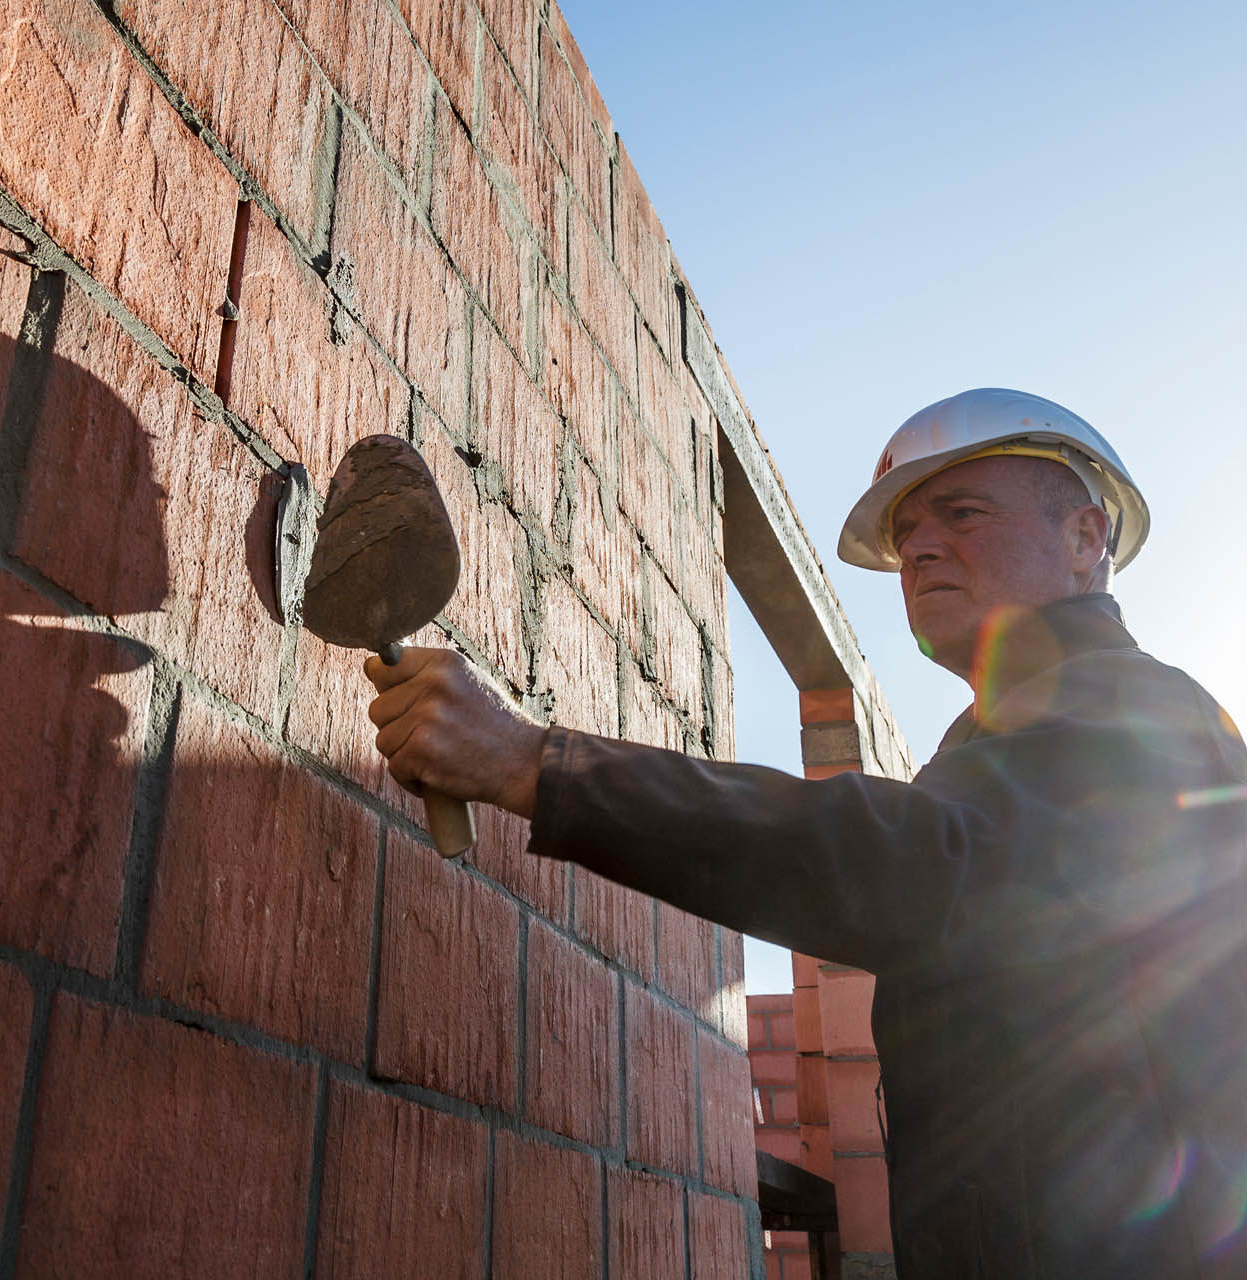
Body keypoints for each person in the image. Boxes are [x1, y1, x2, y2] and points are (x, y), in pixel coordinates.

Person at [364, 388, 1247, 1277]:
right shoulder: (1002, 738)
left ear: (1086, 539)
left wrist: (534, 765)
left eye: (962, 513)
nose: (921, 549)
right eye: (906, 539)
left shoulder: (1139, 716)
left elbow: (912, 862)